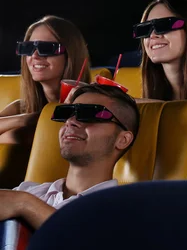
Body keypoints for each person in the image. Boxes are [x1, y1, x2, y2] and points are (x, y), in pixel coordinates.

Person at [0, 84, 139, 230]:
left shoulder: (121, 208)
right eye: (68, 113)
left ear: (122, 140)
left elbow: (90, 247)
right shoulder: (28, 190)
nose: (70, 122)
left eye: (89, 114)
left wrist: (25, 205)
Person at [0, 15, 91, 143]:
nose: (35, 56)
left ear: (70, 55)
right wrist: (28, 119)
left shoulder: (91, 104)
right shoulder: (22, 108)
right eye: (28, 48)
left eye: (47, 48)